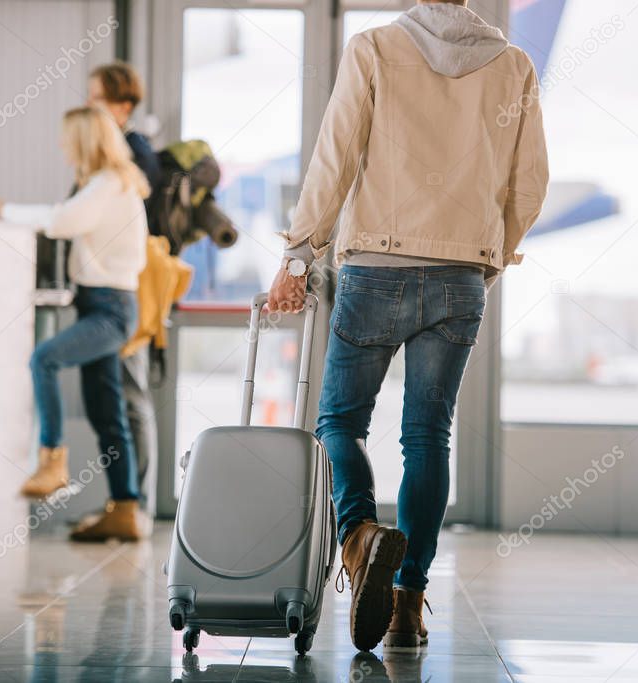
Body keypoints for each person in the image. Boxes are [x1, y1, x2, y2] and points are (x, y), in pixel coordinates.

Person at [268, 0, 548, 651]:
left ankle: (361, 535)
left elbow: (334, 154)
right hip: (457, 274)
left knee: (337, 421)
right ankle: (407, 604)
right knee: (427, 435)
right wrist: (485, 256)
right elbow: (528, 184)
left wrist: (299, 251)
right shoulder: (513, 66)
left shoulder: (373, 49)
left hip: (375, 264)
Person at [0, 106, 152, 541]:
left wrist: (5, 209)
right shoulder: (110, 182)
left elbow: (60, 221)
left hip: (109, 308)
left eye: (66, 138)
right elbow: (66, 215)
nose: (61, 147)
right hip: (106, 303)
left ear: (84, 140)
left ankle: (52, 460)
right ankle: (124, 508)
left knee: (44, 359)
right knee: (107, 413)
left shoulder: (109, 183)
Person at [82, 62, 161, 512]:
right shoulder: (110, 153)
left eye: (97, 98)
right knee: (117, 394)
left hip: (130, 288)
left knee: (130, 395)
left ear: (123, 105)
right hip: (118, 286)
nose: (89, 105)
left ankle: (138, 503)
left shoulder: (133, 152)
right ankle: (125, 500)